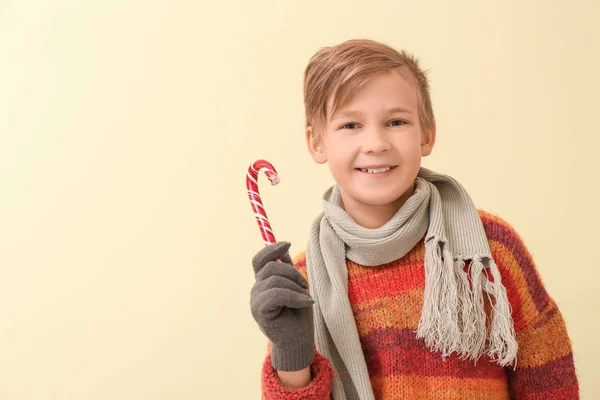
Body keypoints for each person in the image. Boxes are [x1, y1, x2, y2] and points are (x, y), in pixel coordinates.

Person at [249, 39, 579, 399]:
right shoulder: (304, 282)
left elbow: (549, 378)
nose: (375, 143)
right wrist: (291, 352)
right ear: (316, 142)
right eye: (350, 125)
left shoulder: (488, 250)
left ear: (427, 133)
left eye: (396, 121)